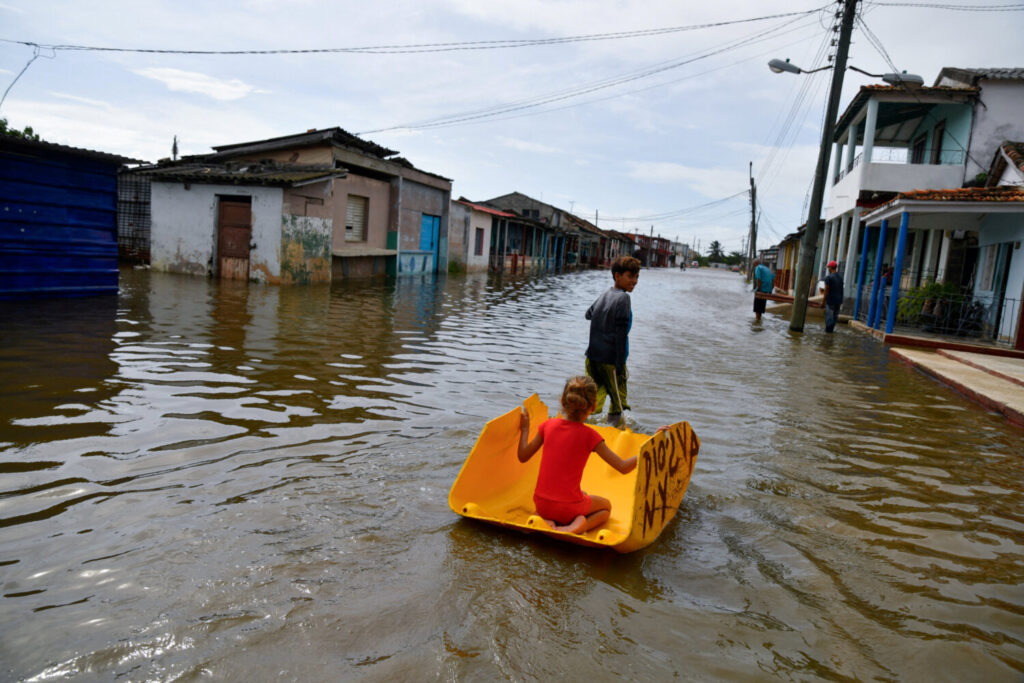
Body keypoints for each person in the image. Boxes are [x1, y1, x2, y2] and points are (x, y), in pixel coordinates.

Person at [518, 376, 637, 534]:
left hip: (541, 504)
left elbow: (523, 456)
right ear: (593, 407)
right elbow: (623, 467)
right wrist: (647, 451)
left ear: (562, 400)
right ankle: (577, 526)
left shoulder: (548, 425)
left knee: (583, 494)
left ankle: (549, 520)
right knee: (606, 507)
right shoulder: (591, 436)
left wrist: (525, 430)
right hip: (568, 508)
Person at [585, 255, 641, 425]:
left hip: (592, 357)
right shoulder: (624, 298)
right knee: (618, 402)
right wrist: (619, 365)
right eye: (630, 276)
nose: (635, 281)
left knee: (594, 399)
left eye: (637, 277)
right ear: (617, 276)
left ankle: (586, 428)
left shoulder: (605, 294)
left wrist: (603, 318)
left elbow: (588, 314)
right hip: (611, 360)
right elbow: (621, 334)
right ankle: (614, 434)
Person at [822, 260, 844, 333]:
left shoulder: (829, 277)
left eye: (828, 267)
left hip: (830, 301)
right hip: (838, 301)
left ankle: (827, 334)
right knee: (834, 317)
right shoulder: (840, 277)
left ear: (831, 268)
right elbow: (841, 289)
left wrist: (823, 302)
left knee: (829, 318)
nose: (828, 268)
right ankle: (831, 332)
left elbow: (826, 290)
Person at [752, 259, 774, 323]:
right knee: (761, 306)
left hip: (761, 290)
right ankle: (759, 320)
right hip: (767, 290)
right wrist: (770, 290)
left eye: (754, 264)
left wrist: (758, 289)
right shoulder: (767, 269)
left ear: (756, 263)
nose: (754, 266)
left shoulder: (758, 268)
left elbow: (759, 279)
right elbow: (773, 281)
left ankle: (757, 321)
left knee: (757, 307)